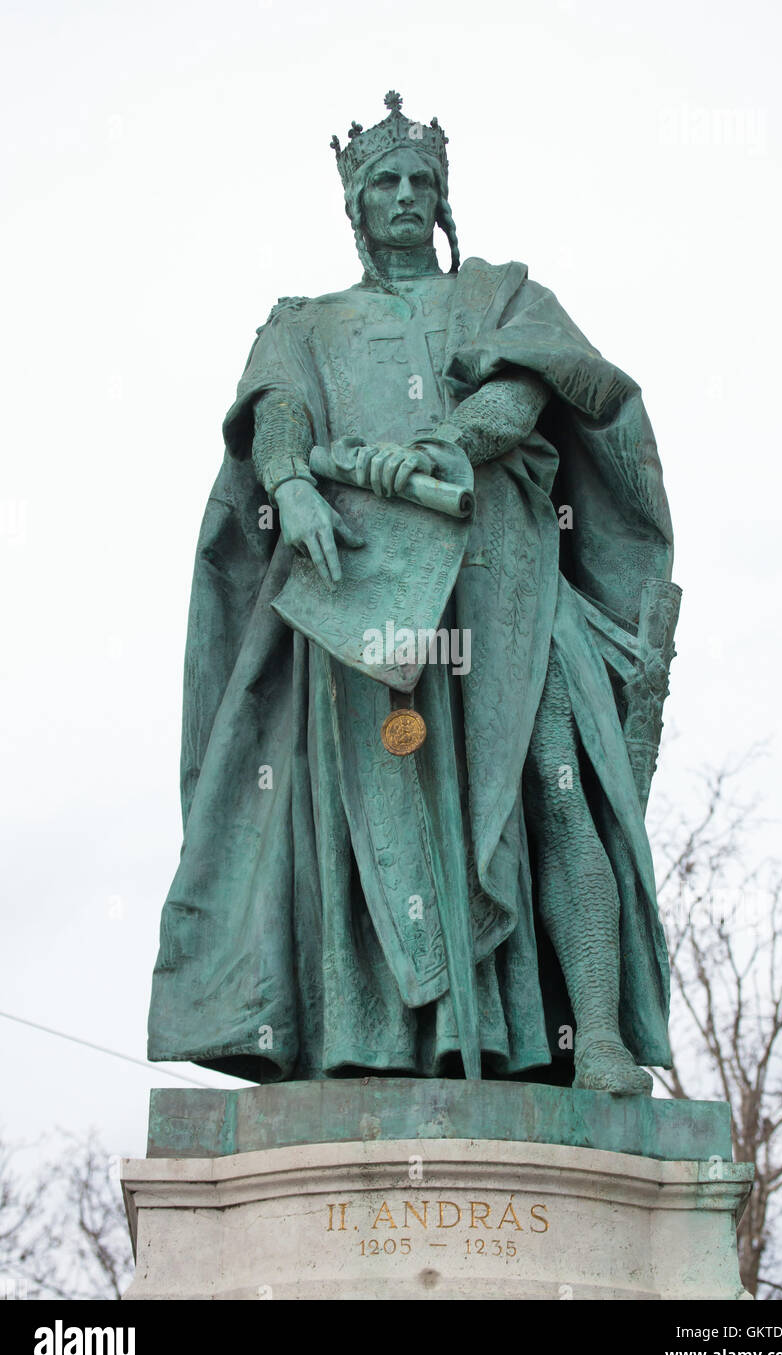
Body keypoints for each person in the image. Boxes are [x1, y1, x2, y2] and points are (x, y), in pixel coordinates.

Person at [148, 92, 680, 1094]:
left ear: (441, 200)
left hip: (505, 584)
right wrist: (295, 485)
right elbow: (275, 419)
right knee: (363, 824)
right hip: (362, 599)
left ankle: (594, 1039)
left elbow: (526, 392)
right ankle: (371, 1041)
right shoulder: (304, 322)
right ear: (354, 205)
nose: (403, 196)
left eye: (419, 182)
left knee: (557, 793)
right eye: (383, 183)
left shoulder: (497, 293)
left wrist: (440, 444)